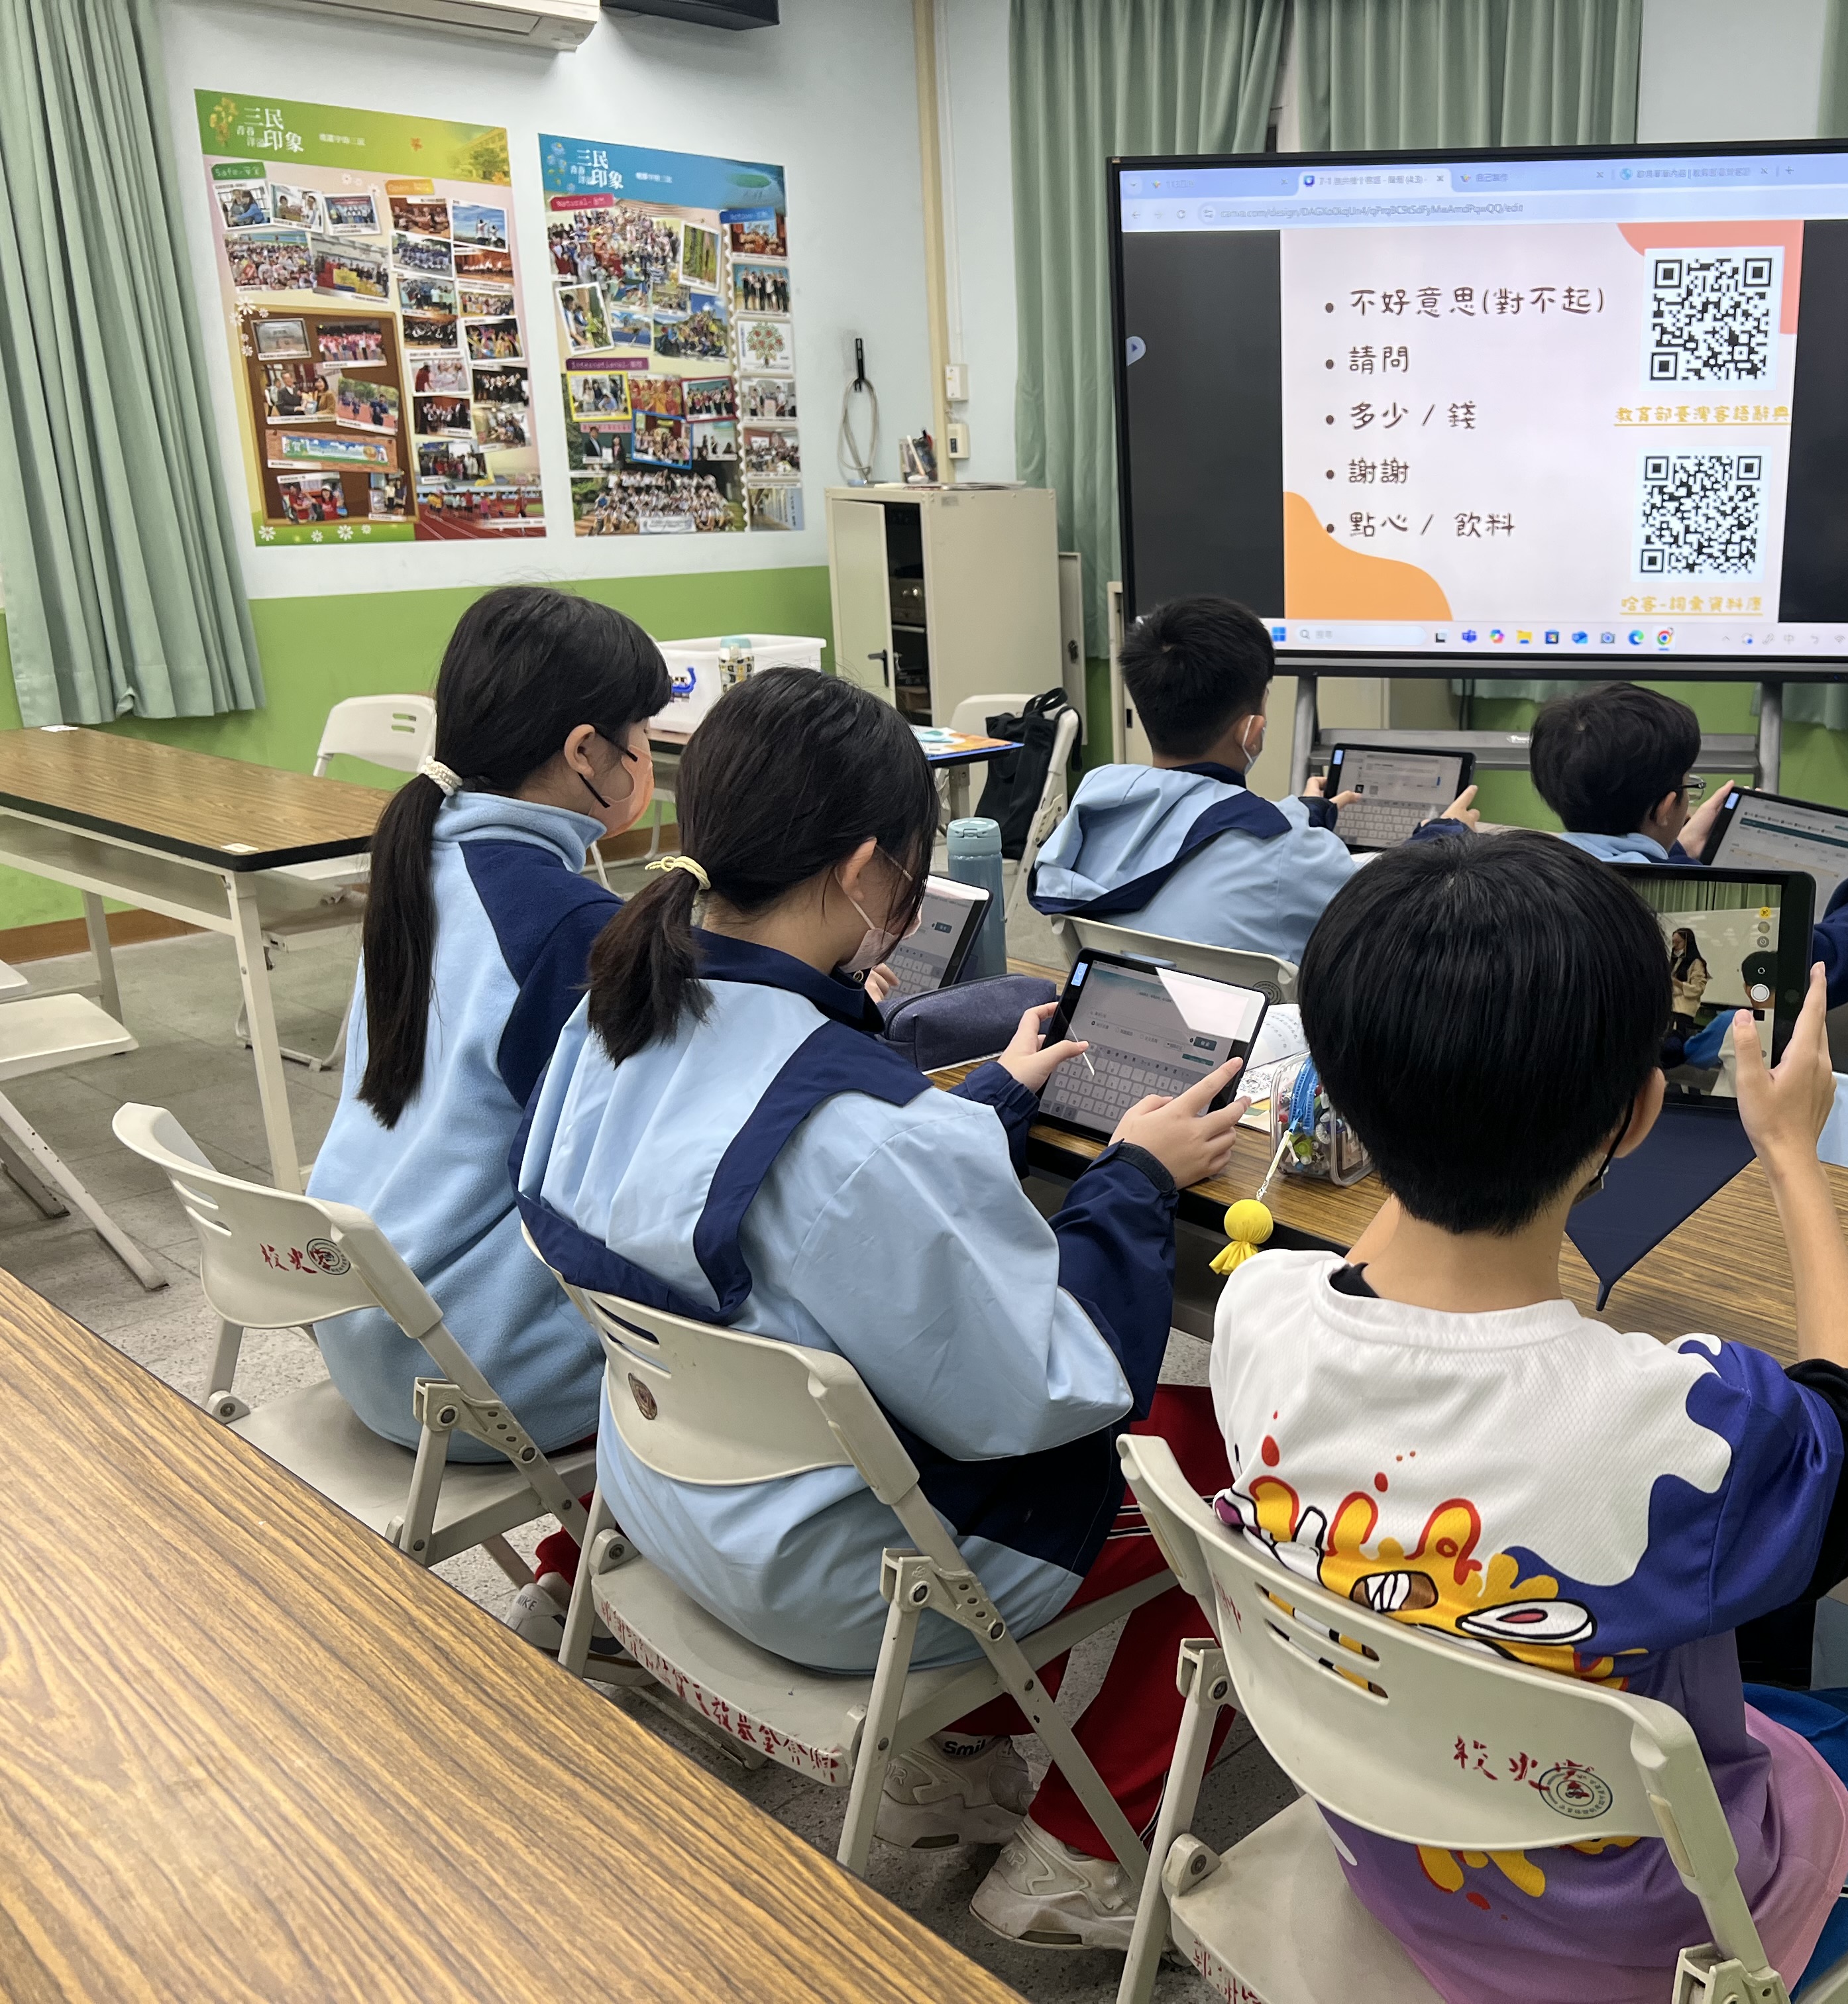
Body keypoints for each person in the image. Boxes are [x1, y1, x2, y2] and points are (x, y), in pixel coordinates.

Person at [1209, 834, 1848, 2004]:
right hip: (1644, 1935)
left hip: (1386, 1850)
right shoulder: (1685, 1425)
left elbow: (1387, 1238)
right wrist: (1792, 1152)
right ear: (1639, 1113)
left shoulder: (1258, 1310)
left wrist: (1413, 1102)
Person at [514, 667, 1248, 1951]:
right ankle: (1077, 1859)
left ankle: (948, 1764)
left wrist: (984, 1105)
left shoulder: (608, 1018)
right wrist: (1132, 1178)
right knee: (1230, 1473)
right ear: (866, 870)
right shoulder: (871, 1134)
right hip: (842, 1580)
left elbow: (787, 1192)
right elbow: (1050, 1388)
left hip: (664, 1507)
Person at [307, 586, 667, 1645]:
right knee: (756, 1289)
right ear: (587, 751)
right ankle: (636, 1595)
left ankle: (578, 1568)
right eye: (643, 735)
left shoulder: (419, 857)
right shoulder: (565, 920)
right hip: (471, 1372)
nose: (649, 758)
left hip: (361, 1322)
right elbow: (654, 1153)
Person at [1031, 595, 1476, 963]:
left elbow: (1189, 827)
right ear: (1252, 731)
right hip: (1255, 1042)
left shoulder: (1097, 800)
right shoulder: (1289, 855)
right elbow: (1394, 903)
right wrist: (1445, 835)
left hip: (1114, 1022)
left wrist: (1305, 813)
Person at [1529, 681, 1848, 1005]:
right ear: (1667, 807)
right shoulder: (1692, 906)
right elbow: (1828, 963)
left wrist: (1676, 849)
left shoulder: (1524, 870)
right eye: (1688, 785)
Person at [1667, 925, 1710, 1027]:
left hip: (1684, 1012)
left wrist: (1677, 983)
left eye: (1678, 942)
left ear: (1688, 943)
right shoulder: (1676, 962)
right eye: (1673, 942)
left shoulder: (1697, 963)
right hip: (1670, 1009)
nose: (1675, 946)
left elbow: (1698, 989)